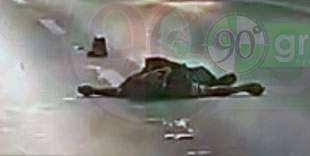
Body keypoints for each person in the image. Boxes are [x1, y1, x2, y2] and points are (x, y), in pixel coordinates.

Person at [77, 57, 264, 100]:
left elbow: (114, 92)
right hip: (184, 77)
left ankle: (215, 79)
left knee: (154, 61)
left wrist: (93, 90)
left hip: (172, 72)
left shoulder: (133, 84)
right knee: (201, 76)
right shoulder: (179, 88)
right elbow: (214, 93)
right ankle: (215, 79)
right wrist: (244, 88)